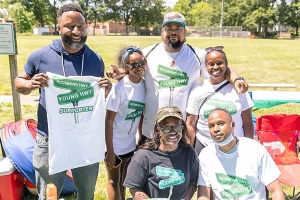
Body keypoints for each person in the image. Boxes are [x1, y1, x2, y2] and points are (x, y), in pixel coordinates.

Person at [14, 4, 112, 200]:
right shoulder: (40, 56)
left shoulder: (95, 59)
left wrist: (106, 90)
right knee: (48, 193)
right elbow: (18, 82)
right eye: (70, 26)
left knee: (86, 194)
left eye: (81, 26)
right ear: (58, 27)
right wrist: (31, 83)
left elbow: (99, 96)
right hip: (50, 138)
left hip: (85, 137)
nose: (76, 31)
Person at [107, 12, 249, 142]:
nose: (173, 31)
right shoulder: (148, 53)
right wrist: (119, 72)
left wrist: (237, 79)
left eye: (178, 28)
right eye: (169, 28)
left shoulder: (196, 55)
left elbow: (221, 68)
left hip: (181, 129)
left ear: (185, 32)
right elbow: (133, 67)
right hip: (151, 128)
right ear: (162, 31)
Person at [197, 108, 284, 200]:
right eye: (211, 126)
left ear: (233, 125)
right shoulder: (206, 155)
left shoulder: (254, 149)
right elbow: (204, 194)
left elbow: (275, 190)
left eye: (221, 124)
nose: (216, 129)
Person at [186, 46, 254, 154]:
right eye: (211, 64)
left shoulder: (238, 89)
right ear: (205, 67)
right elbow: (190, 123)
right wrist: (188, 150)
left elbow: (248, 122)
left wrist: (250, 146)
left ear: (226, 65)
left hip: (235, 147)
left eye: (219, 63)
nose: (215, 67)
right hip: (204, 145)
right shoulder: (198, 90)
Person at [123, 106, 199, 200]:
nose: (172, 131)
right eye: (166, 127)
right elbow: (134, 188)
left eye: (176, 127)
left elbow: (193, 184)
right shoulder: (143, 156)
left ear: (182, 129)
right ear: (158, 130)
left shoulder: (189, 153)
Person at [105, 46, 146, 200]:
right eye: (133, 65)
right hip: (114, 144)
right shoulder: (119, 89)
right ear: (126, 67)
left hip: (129, 143)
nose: (138, 67)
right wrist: (110, 151)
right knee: (113, 181)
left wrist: (140, 136)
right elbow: (108, 121)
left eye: (141, 63)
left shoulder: (143, 85)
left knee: (123, 180)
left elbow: (141, 114)